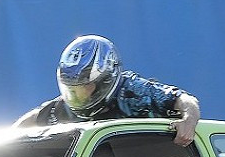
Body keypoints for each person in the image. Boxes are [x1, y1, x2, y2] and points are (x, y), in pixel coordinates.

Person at [14, 35, 201, 147]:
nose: (78, 98)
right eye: (72, 91)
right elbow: (30, 120)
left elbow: (185, 100)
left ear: (106, 80)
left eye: (85, 88)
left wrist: (188, 122)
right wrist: (8, 150)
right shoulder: (64, 107)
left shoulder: (133, 91)